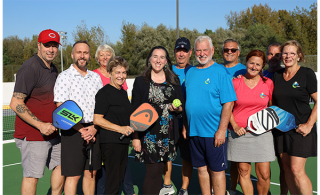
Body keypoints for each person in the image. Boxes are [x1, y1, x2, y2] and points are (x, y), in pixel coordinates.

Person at [10, 29, 64, 195]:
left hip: (53, 132)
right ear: (39, 45)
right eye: (47, 45)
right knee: (32, 176)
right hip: (33, 134)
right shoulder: (30, 68)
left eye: (54, 46)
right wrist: (40, 125)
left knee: (62, 166)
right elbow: (15, 103)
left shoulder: (53, 68)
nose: (51, 49)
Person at [183, 36, 236, 195]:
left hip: (213, 133)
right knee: (201, 169)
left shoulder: (221, 72)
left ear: (212, 50)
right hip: (194, 132)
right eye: (198, 50)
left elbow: (229, 103)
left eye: (205, 49)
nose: (202, 53)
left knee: (217, 171)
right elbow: (188, 102)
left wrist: (221, 130)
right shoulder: (190, 72)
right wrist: (186, 125)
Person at [131, 46, 184, 194]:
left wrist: (177, 108)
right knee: (152, 172)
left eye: (162, 57)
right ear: (149, 59)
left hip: (168, 133)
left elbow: (181, 106)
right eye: (155, 56)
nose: (158, 60)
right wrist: (135, 137)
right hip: (148, 134)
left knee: (160, 170)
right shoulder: (141, 81)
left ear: (166, 61)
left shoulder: (174, 79)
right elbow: (134, 112)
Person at [54, 40, 103, 195]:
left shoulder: (96, 77)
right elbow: (60, 108)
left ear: (89, 56)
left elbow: (102, 106)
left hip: (94, 129)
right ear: (72, 54)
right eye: (79, 52)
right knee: (73, 176)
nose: (82, 56)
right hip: (72, 131)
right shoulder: (64, 77)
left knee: (91, 173)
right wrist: (82, 130)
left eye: (86, 53)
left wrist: (94, 128)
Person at [272, 40, 317, 195]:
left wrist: (309, 125)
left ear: (299, 56)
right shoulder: (276, 76)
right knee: (286, 170)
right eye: (285, 53)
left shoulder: (306, 74)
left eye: (292, 53)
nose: (288, 56)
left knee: (296, 169)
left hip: (301, 130)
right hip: (281, 130)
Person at [227, 50, 275, 195]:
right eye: (251, 63)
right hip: (239, 134)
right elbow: (227, 108)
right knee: (243, 172)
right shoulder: (235, 82)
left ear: (262, 67)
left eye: (258, 64)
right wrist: (235, 126)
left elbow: (271, 106)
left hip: (263, 135)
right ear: (246, 63)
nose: (254, 67)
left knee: (264, 174)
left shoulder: (268, 83)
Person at [93, 44, 134, 195]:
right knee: (112, 182)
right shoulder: (104, 93)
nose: (121, 76)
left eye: (124, 72)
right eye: (117, 72)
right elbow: (97, 119)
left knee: (118, 180)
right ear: (110, 73)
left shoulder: (122, 92)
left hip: (123, 142)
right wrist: (121, 129)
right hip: (110, 143)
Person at [160, 37, 194, 195]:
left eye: (184, 51)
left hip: (189, 122)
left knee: (187, 158)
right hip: (169, 121)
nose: (181, 54)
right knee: (168, 155)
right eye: (178, 50)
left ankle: (184, 188)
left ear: (190, 53)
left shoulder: (194, 71)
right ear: (174, 52)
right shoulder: (166, 71)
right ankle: (167, 186)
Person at [221, 39, 246, 195]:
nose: (229, 52)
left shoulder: (245, 70)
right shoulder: (215, 69)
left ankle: (232, 189)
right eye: (226, 50)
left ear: (238, 52)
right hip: (218, 123)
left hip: (238, 123)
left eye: (233, 50)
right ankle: (216, 188)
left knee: (238, 163)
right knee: (217, 160)